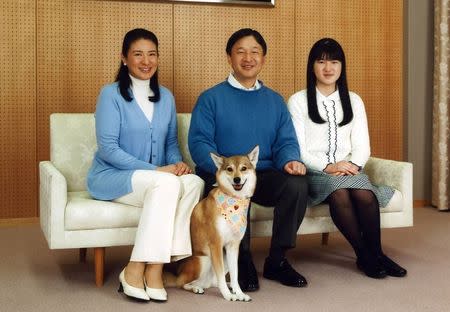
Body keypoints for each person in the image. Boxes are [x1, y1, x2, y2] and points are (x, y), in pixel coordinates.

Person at [87, 28, 204, 302]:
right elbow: (109, 149)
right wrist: (158, 171)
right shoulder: (110, 95)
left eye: (152, 54)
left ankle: (156, 267)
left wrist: (177, 165)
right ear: (124, 58)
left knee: (194, 182)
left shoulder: (166, 97)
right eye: (138, 54)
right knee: (165, 182)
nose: (146, 61)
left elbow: (171, 145)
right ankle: (136, 269)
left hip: (154, 181)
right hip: (113, 177)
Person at [188, 28, 309, 291]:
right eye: (240, 51)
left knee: (297, 185)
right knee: (234, 191)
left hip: (260, 173)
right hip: (223, 175)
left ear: (263, 59)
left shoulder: (275, 101)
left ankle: (277, 260)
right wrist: (225, 174)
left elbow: (286, 141)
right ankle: (241, 261)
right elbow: (199, 143)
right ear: (229, 58)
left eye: (255, 52)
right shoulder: (210, 98)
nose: (248, 57)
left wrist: (289, 160)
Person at [287, 38, 407, 279]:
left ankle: (377, 253)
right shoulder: (298, 101)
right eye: (321, 61)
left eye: (334, 61)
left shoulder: (354, 100)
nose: (328, 67)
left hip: (349, 169)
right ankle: (364, 254)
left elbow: (363, 146)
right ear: (312, 66)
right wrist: (329, 166)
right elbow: (298, 149)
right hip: (316, 172)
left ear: (342, 66)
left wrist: (351, 166)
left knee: (364, 193)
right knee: (339, 192)